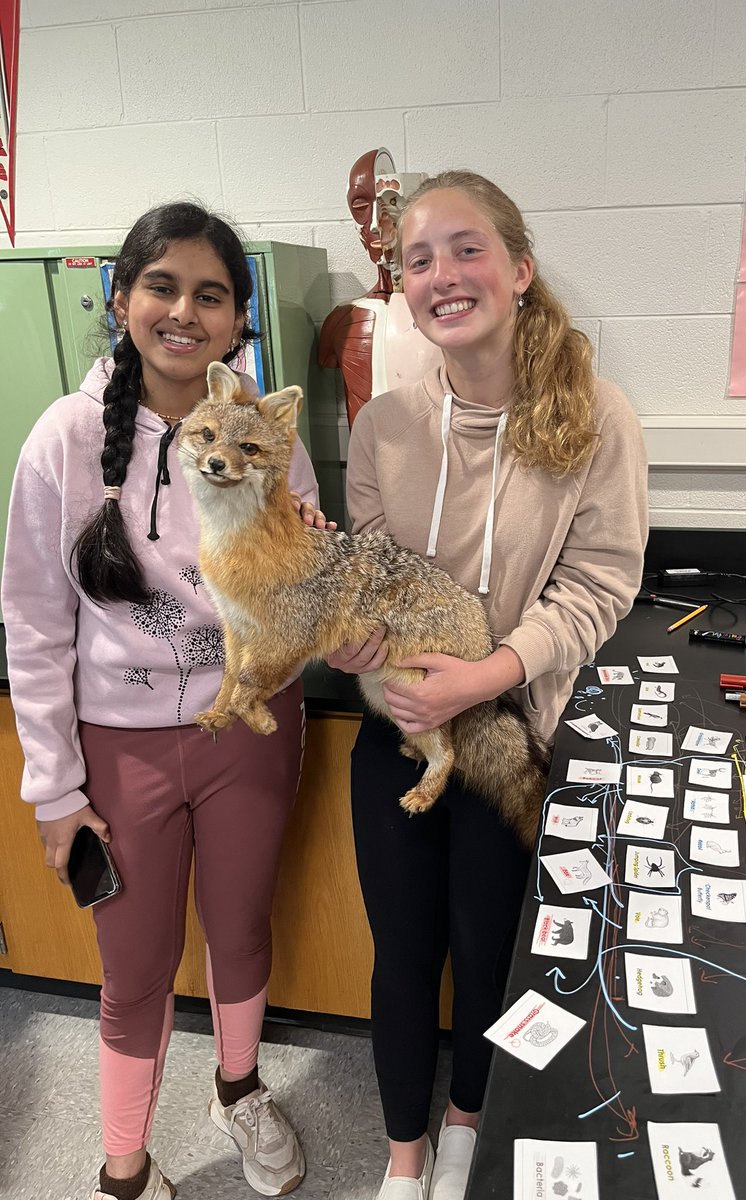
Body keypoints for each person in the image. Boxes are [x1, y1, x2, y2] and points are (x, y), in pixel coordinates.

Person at [326, 171, 648, 1199]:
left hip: (511, 730)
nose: (442, 275)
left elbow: (599, 585)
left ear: (519, 270)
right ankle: (402, 1155)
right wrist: (353, 637)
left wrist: (486, 674)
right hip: (402, 731)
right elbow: (373, 574)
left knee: (487, 947)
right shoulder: (381, 426)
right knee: (401, 947)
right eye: (418, 260)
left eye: (467, 249)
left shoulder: (596, 418)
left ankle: (466, 1120)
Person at [1, 201, 330, 1200]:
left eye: (211, 295)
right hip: (121, 749)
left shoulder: (268, 432)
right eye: (162, 286)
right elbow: (34, 622)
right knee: (135, 965)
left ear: (237, 322)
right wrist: (56, 790)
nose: (185, 311)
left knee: (241, 928)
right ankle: (125, 1166)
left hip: (249, 732)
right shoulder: (64, 438)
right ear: (121, 299)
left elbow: (298, 600)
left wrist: (310, 560)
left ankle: (239, 1089)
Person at [317, 146, 441, 426]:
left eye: (392, 203)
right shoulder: (342, 322)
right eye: (361, 206)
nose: (375, 223)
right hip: (367, 452)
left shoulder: (450, 315)